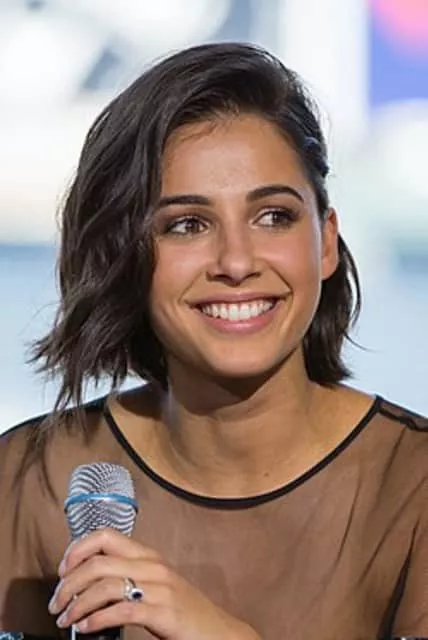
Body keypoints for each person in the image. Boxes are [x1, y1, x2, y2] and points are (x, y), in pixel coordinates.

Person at [0, 42, 427, 640]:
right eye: (187, 225)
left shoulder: (413, 485)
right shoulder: (28, 482)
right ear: (127, 256)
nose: (236, 262)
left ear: (326, 241)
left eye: (273, 216)